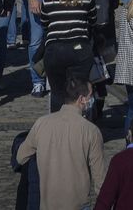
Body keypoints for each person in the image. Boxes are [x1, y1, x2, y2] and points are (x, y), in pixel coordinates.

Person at [16, 73, 106, 210]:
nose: (91, 99)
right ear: (82, 99)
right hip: (78, 204)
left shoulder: (41, 123)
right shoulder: (91, 131)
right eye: (90, 96)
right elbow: (100, 179)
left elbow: (21, 157)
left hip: (48, 204)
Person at [41, 0, 99, 113]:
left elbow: (44, 22)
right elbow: (93, 20)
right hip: (79, 48)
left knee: (57, 92)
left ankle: (57, 123)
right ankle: (79, 121)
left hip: (55, 49)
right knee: (80, 92)